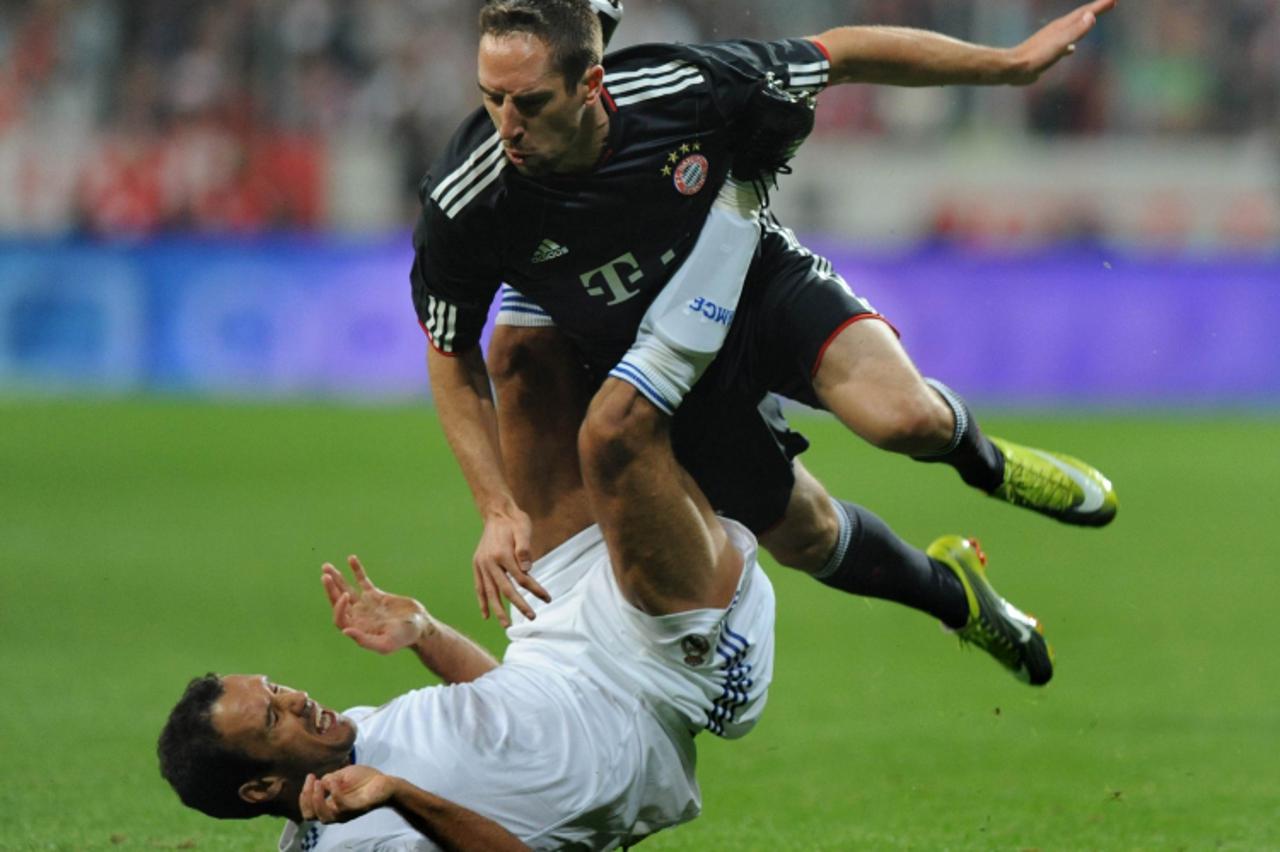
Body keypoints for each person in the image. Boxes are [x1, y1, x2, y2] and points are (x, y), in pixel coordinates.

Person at [413, 0, 1119, 685]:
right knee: (808, 539)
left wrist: (1008, 67)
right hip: (662, 368)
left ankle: (989, 466)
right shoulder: (469, 199)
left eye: (529, 103)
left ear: (590, 84)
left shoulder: (682, 89)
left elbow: (837, 54)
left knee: (907, 418)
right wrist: (498, 509)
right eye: (491, 97)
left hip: (760, 289)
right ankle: (959, 599)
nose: (506, 124)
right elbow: (450, 350)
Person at [157, 419, 776, 848]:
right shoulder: (359, 835)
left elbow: (505, 706)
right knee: (622, 444)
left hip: (574, 659)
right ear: (262, 786)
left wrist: (424, 632)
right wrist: (398, 795)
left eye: (275, 688)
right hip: (651, 698)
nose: (295, 700)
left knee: (525, 364)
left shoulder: (349, 741)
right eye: (272, 719)